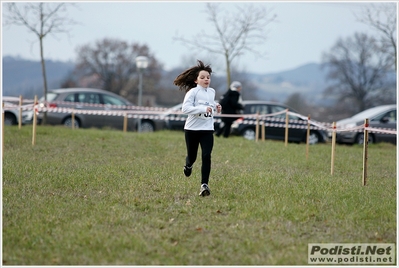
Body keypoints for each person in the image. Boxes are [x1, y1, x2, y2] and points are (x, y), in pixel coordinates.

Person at [173, 60, 222, 197]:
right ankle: (188, 165)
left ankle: (204, 185)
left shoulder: (212, 92)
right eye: (202, 77)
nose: (206, 79)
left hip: (207, 129)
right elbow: (185, 109)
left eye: (208, 77)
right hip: (192, 129)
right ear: (196, 80)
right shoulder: (192, 93)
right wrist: (201, 108)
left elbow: (210, 107)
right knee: (192, 156)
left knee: (206, 155)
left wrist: (217, 108)